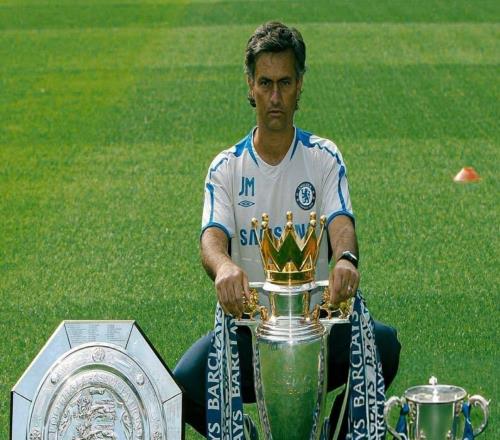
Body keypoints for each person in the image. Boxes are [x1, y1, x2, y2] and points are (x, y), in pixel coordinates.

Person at [174, 21, 401, 439]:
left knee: (383, 345)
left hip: (317, 327)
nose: (275, 97)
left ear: (300, 85)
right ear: (250, 85)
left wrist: (346, 259)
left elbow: (341, 223)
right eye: (265, 83)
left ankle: (336, 434)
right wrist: (224, 268)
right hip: (251, 331)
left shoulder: (323, 157)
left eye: (284, 83)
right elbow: (212, 238)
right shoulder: (226, 167)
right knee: (181, 384)